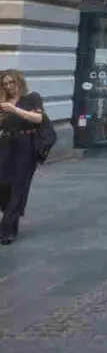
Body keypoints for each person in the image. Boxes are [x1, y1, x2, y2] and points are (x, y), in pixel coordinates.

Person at [0, 70, 45, 244]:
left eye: (12, 82)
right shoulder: (3, 102)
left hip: (26, 146)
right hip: (5, 145)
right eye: (5, 84)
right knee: (3, 186)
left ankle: (7, 228)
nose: (9, 86)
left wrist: (15, 110)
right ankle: (11, 220)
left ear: (19, 82)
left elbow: (39, 119)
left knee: (19, 187)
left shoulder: (31, 98)